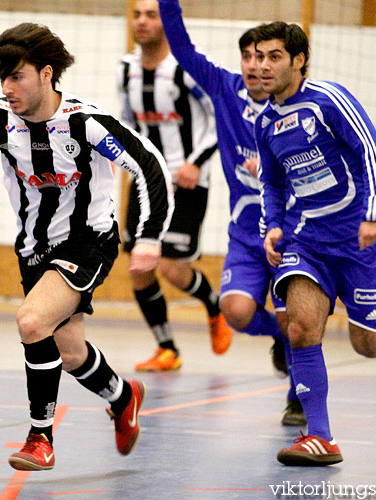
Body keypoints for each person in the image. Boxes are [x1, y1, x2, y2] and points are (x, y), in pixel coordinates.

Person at [0, 23, 175, 471]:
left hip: (88, 240)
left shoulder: (85, 124)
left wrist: (148, 237)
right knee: (69, 352)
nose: (7, 88)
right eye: (3, 78)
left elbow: (149, 166)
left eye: (18, 77)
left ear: (47, 74)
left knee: (32, 322)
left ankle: (40, 437)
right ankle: (123, 396)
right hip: (33, 247)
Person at [255, 21, 376, 466]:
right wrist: (273, 226)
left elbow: (371, 150)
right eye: (259, 56)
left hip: (361, 238)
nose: (262, 66)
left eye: (274, 56)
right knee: (299, 327)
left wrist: (374, 212)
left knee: (368, 346)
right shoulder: (265, 123)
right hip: (308, 240)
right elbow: (273, 183)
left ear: (299, 61)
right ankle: (320, 436)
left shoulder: (327, 100)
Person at [157, 0, 305, 425]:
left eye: (264, 57)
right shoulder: (224, 88)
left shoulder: (298, 107)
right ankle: (280, 336)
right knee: (235, 311)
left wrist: (280, 169)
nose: (254, 66)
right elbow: (183, 50)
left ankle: (298, 396)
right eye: (247, 56)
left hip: (291, 230)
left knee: (295, 317)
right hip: (246, 230)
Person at [118, 0, 231, 372]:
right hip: (147, 180)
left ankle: (215, 305)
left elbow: (221, 118)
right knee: (140, 265)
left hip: (187, 182)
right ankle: (167, 348)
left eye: (152, 14)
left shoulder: (186, 70)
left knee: (171, 266)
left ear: (166, 21)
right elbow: (126, 125)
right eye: (137, 14)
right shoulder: (127, 70)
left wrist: (195, 163)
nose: (143, 21)